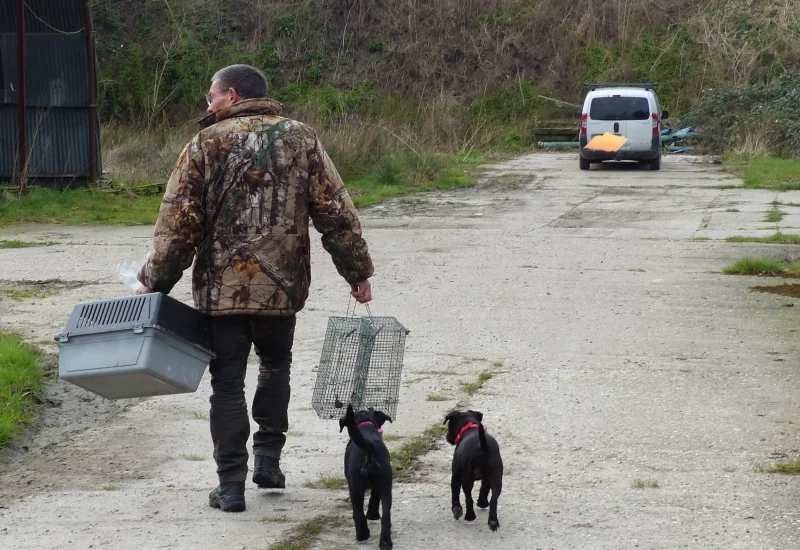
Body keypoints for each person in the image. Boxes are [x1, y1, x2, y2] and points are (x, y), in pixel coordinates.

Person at [136, 64, 374, 513]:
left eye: (211, 96)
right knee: (275, 366)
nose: (207, 105)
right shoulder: (302, 138)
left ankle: (230, 487)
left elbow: (179, 225)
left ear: (230, 95)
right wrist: (356, 271)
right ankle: (268, 461)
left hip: (221, 292)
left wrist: (155, 282)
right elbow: (334, 211)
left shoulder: (205, 144)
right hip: (281, 288)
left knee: (227, 384)